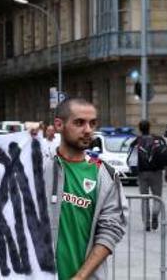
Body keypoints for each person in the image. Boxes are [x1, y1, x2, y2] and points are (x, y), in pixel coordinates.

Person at [46, 99, 127, 279]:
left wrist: (80, 277)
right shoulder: (39, 167)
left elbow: (111, 230)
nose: (88, 130)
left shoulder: (105, 175)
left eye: (93, 123)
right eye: (79, 123)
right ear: (59, 125)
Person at [127, 120, 167, 231]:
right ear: (149, 127)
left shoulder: (136, 141)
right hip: (157, 173)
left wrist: (133, 171)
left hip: (142, 174)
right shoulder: (159, 140)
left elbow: (130, 158)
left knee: (144, 198)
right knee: (157, 197)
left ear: (140, 128)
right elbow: (166, 156)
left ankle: (146, 223)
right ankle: (155, 214)